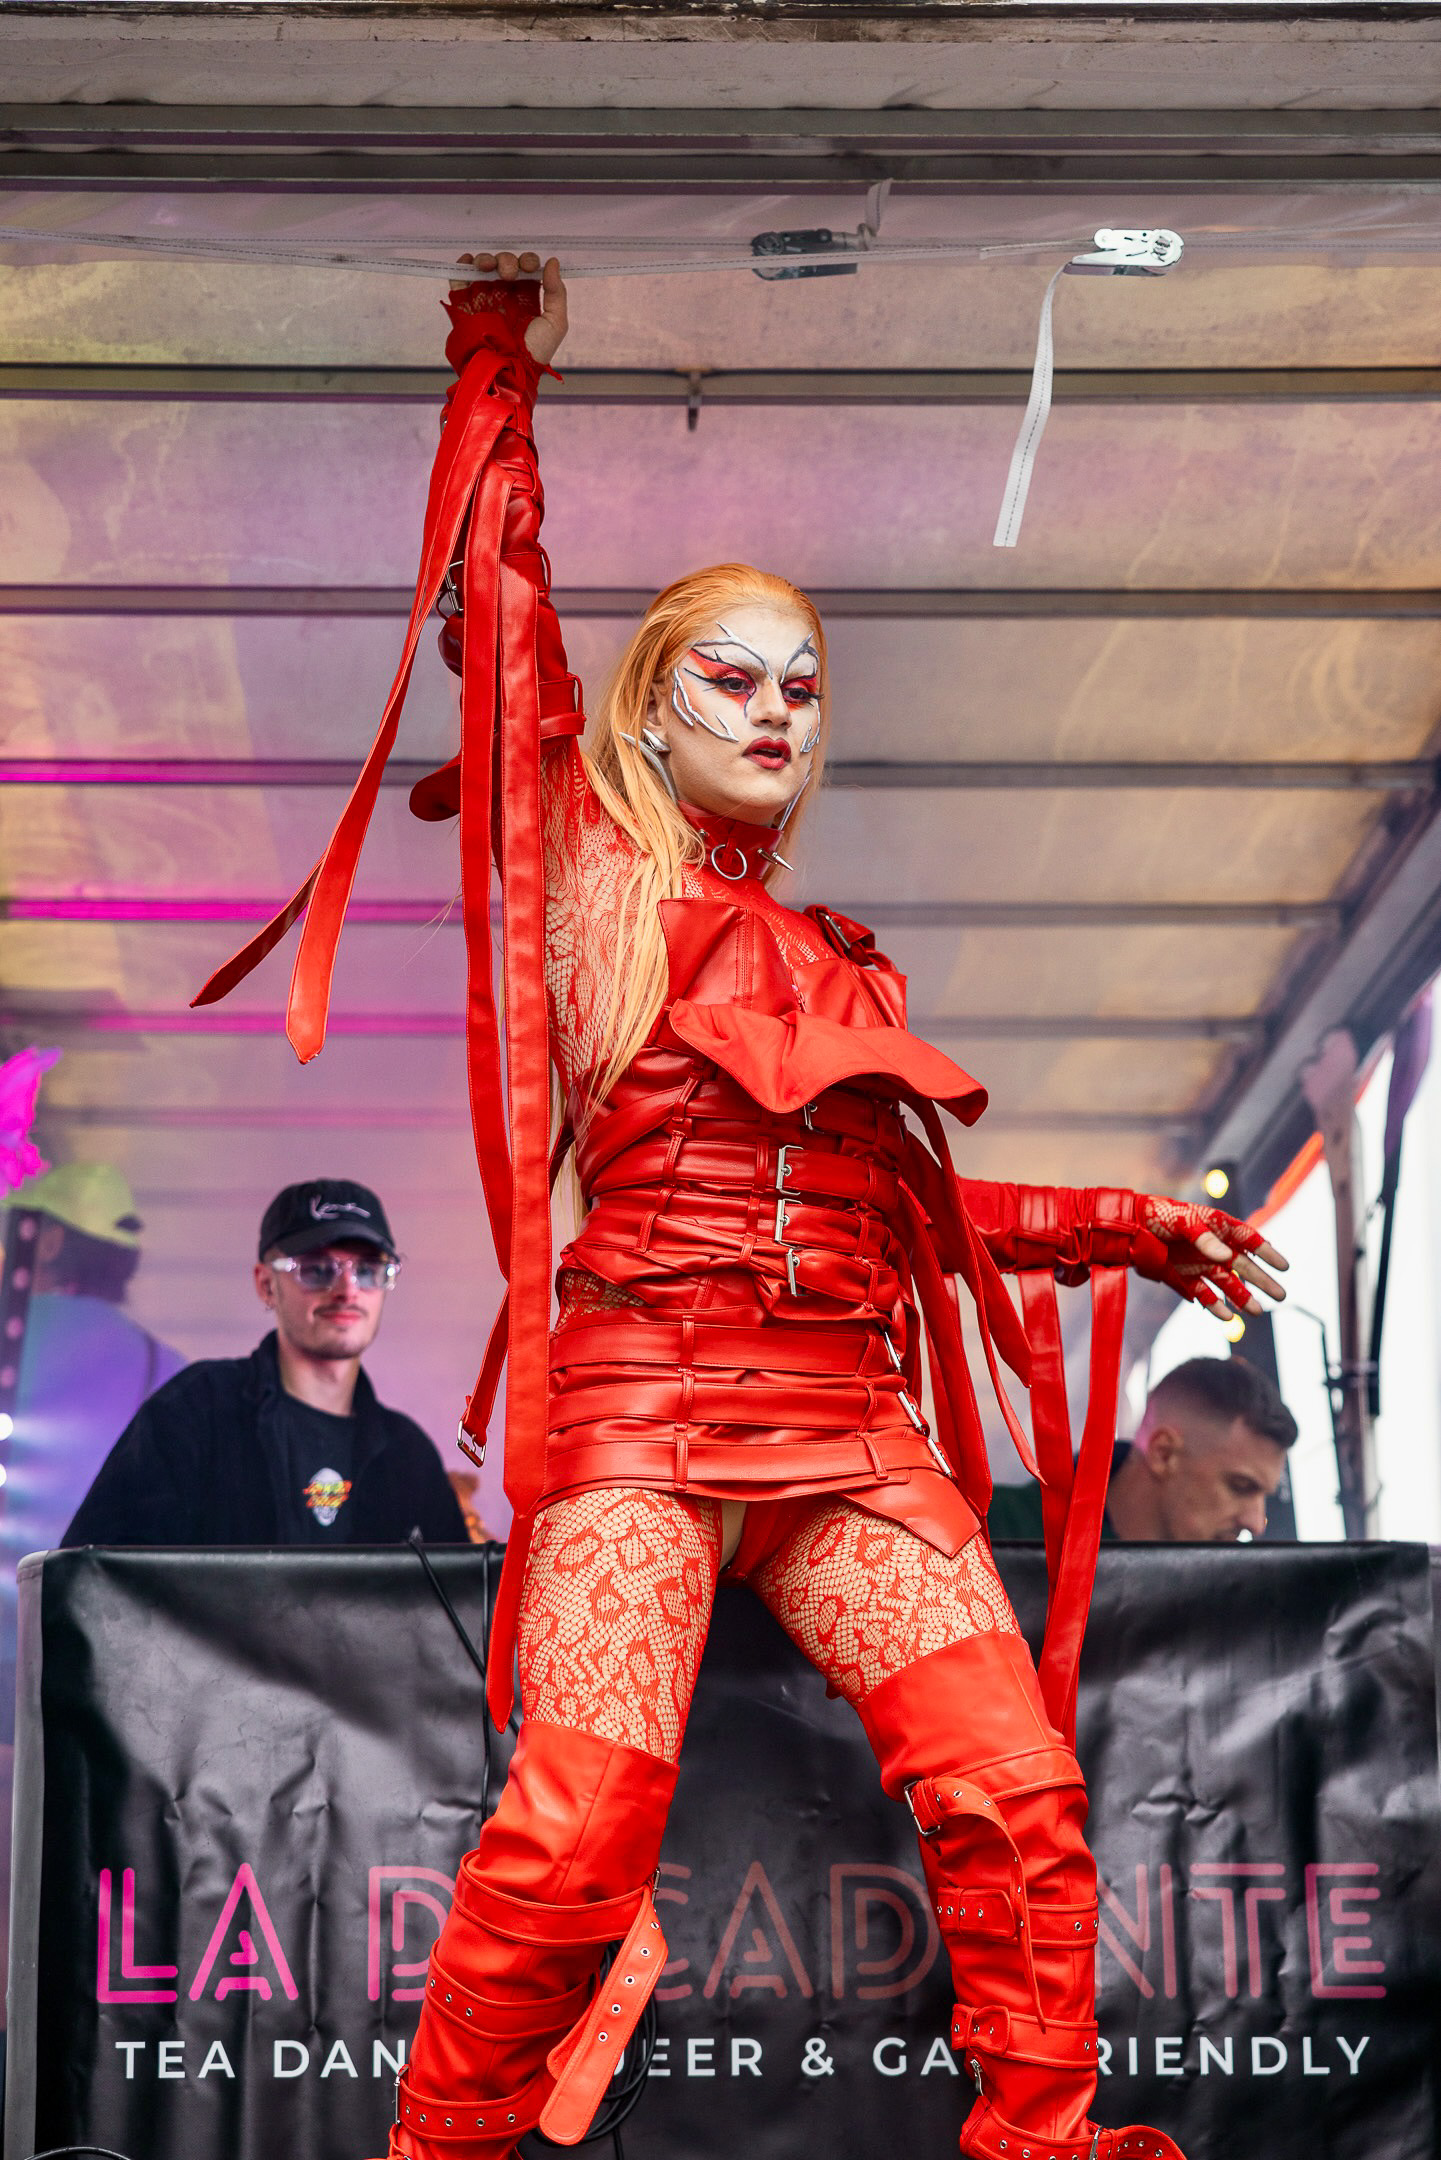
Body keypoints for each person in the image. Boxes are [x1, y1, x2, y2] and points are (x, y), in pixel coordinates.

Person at [196, 257, 1288, 2160]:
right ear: (651, 704)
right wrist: (497, 371)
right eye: (732, 674)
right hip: (642, 1412)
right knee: (576, 1834)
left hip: (846, 1424)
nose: (777, 708)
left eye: (803, 685)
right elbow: (501, 611)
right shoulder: (594, 875)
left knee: (1018, 1798)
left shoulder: (838, 956)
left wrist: (1118, 1221)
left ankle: (1042, 2147)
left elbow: (907, 1213)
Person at [63, 1179, 466, 1547]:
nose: (347, 1290)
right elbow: (91, 1578)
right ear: (266, 1284)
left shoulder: (409, 1456)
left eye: (367, 1270)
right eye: (317, 1269)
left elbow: (460, 1599)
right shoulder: (193, 1413)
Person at [988, 1355, 1298, 1544]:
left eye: (1264, 1496)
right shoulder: (987, 1533)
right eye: (1240, 1486)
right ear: (1163, 1453)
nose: (1256, 1522)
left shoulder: (1229, 1594)